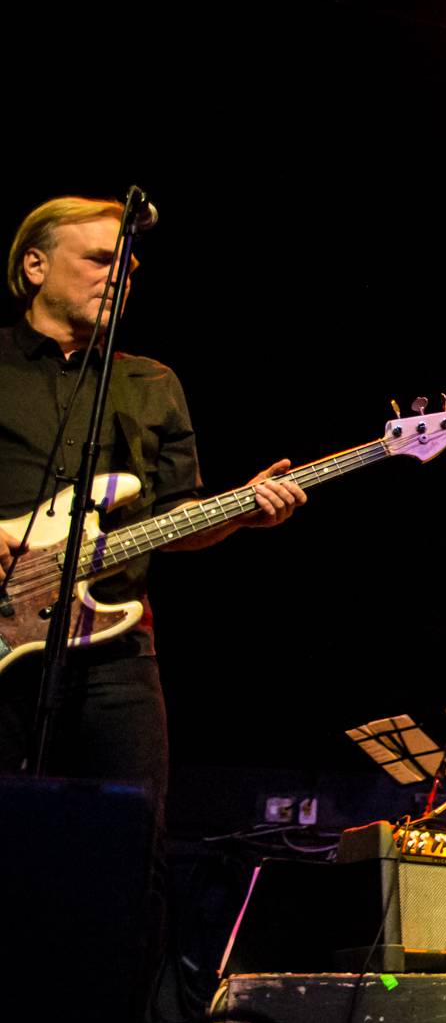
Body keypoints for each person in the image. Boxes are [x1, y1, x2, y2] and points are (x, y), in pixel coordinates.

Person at [0, 197, 305, 810]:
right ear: (36, 266)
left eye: (129, 269)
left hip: (116, 654)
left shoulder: (152, 383)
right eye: (99, 260)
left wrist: (237, 515)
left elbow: (174, 521)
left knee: (132, 845)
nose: (119, 276)